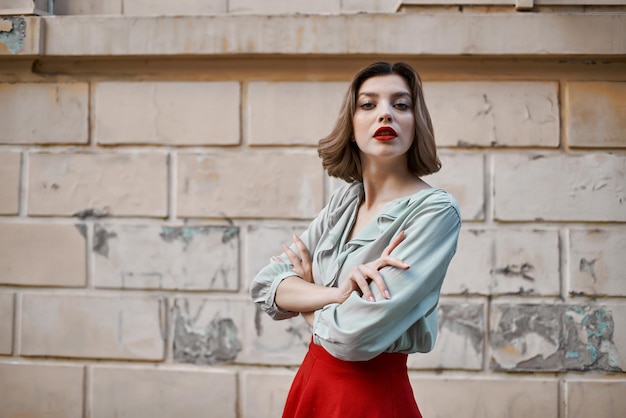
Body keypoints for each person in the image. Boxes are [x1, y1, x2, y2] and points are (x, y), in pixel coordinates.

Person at [249, 62, 461, 418]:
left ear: (416, 124)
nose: (385, 115)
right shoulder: (346, 201)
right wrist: (337, 294)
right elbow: (265, 286)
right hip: (312, 384)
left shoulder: (435, 211)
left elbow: (353, 337)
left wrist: (306, 298)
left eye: (401, 105)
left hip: (370, 397)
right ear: (351, 126)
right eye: (368, 104)